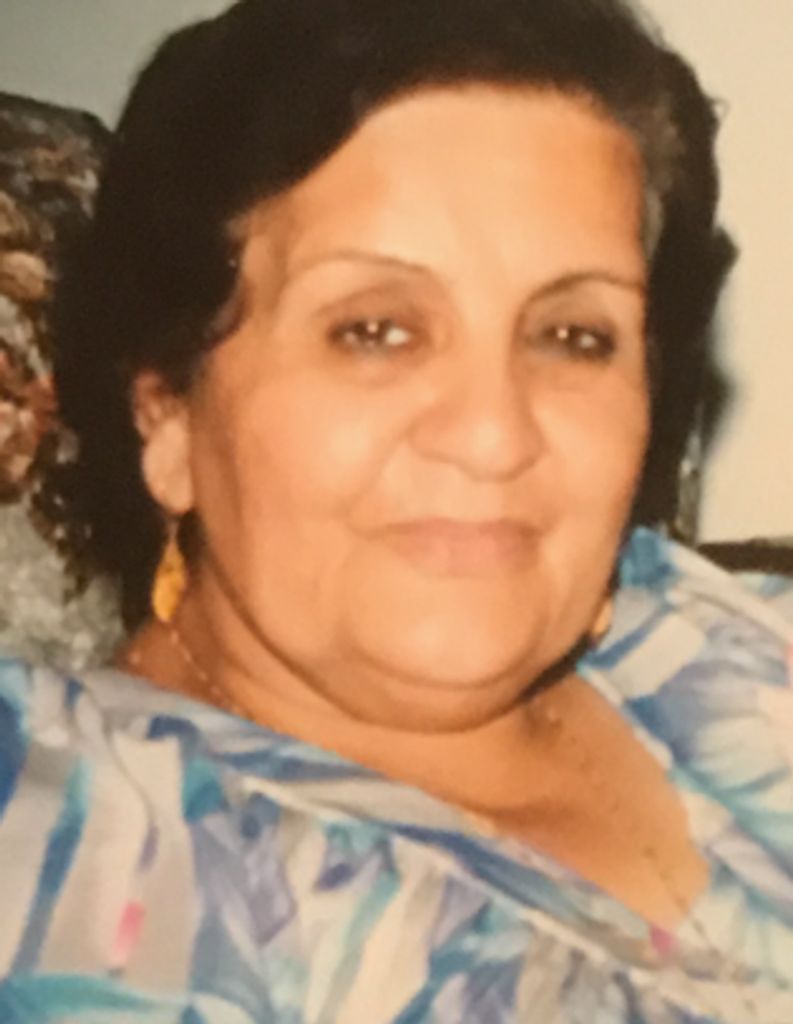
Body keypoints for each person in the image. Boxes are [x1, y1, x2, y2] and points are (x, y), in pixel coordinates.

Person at [1, 0, 792, 1020]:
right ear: (169, 412)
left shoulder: (713, 640)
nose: (493, 433)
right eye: (374, 330)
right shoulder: (77, 862)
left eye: (572, 335)